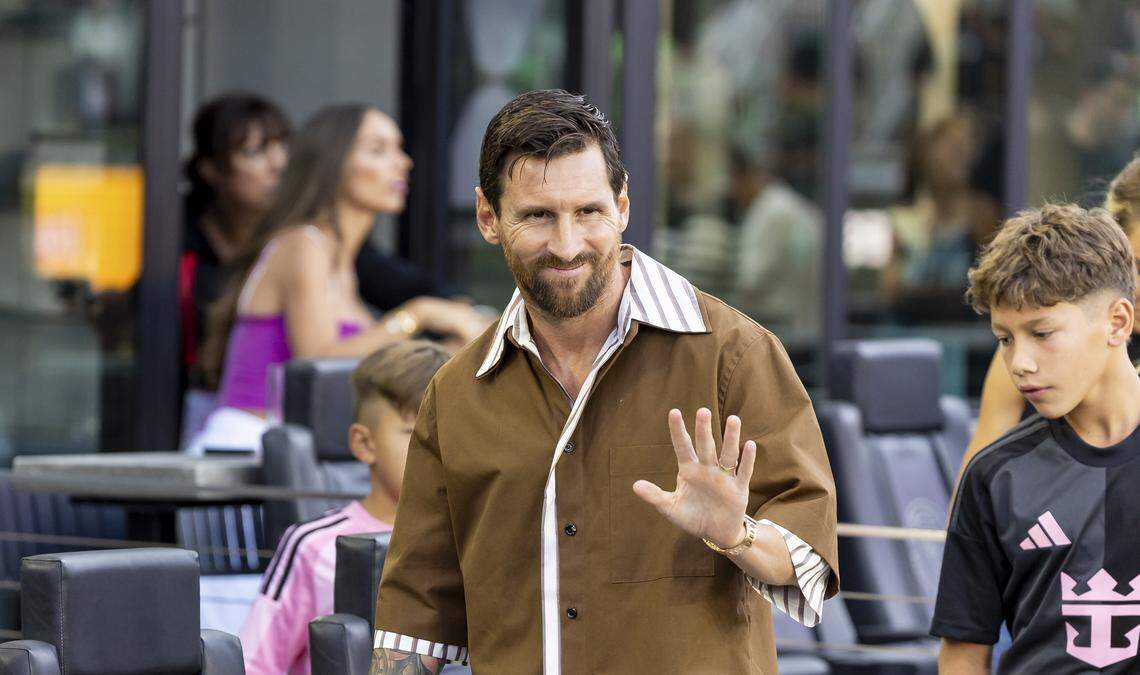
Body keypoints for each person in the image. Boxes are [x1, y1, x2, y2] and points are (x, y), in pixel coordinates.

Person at [369, 89, 838, 674]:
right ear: (488, 218)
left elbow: (808, 558)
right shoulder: (458, 394)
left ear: (622, 205)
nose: (567, 245)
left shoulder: (734, 356)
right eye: (538, 215)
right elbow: (416, 622)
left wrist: (735, 535)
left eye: (587, 212)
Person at [185, 104, 487, 456]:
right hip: (245, 461)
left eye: (398, 147)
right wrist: (417, 315)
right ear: (333, 164)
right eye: (378, 149)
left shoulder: (341, 265)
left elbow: (365, 366)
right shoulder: (302, 245)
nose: (402, 162)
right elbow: (317, 362)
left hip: (289, 461)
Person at [931, 204, 1140, 673]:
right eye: (1004, 339)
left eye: (1042, 333)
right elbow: (963, 654)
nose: (1020, 362)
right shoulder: (993, 475)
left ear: (1117, 322)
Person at [239, 340, 450, 675]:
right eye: (414, 433)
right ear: (364, 444)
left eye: (451, 433)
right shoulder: (315, 546)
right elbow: (256, 664)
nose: (437, 448)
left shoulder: (480, 539)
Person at [961, 156, 1140, 467]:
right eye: (1135, 265)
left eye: (1042, 334)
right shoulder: (1023, 356)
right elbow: (977, 488)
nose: (1023, 362)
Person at [182, 94, 290, 389]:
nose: (278, 164)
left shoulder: (302, 233)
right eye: (255, 151)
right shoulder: (173, 235)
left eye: (282, 146)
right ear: (211, 170)